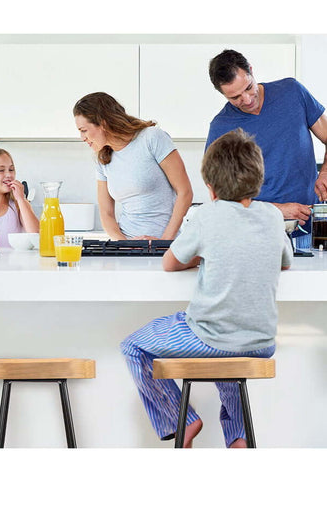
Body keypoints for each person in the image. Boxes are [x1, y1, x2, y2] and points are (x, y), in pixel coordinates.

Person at [120, 129, 293, 448]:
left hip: (211, 336)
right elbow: (284, 261)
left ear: (210, 189)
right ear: (258, 180)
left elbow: (170, 263)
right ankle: (239, 436)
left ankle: (181, 420)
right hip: (261, 341)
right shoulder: (271, 215)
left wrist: (203, 255)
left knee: (133, 347)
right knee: (228, 353)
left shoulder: (207, 215)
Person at [206, 49, 327, 249]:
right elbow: (222, 198)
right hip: (258, 234)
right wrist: (276, 210)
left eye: (248, 87)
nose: (246, 100)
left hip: (311, 229)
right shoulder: (221, 127)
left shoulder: (292, 92)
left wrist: (325, 171)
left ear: (251, 71)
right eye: (235, 97)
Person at [73, 92, 192, 240]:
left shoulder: (151, 138)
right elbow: (106, 214)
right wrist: (124, 245)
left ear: (103, 123)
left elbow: (185, 192)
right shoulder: (103, 159)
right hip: (127, 247)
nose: (82, 138)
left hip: (166, 244)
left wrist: (163, 243)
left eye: (84, 130)